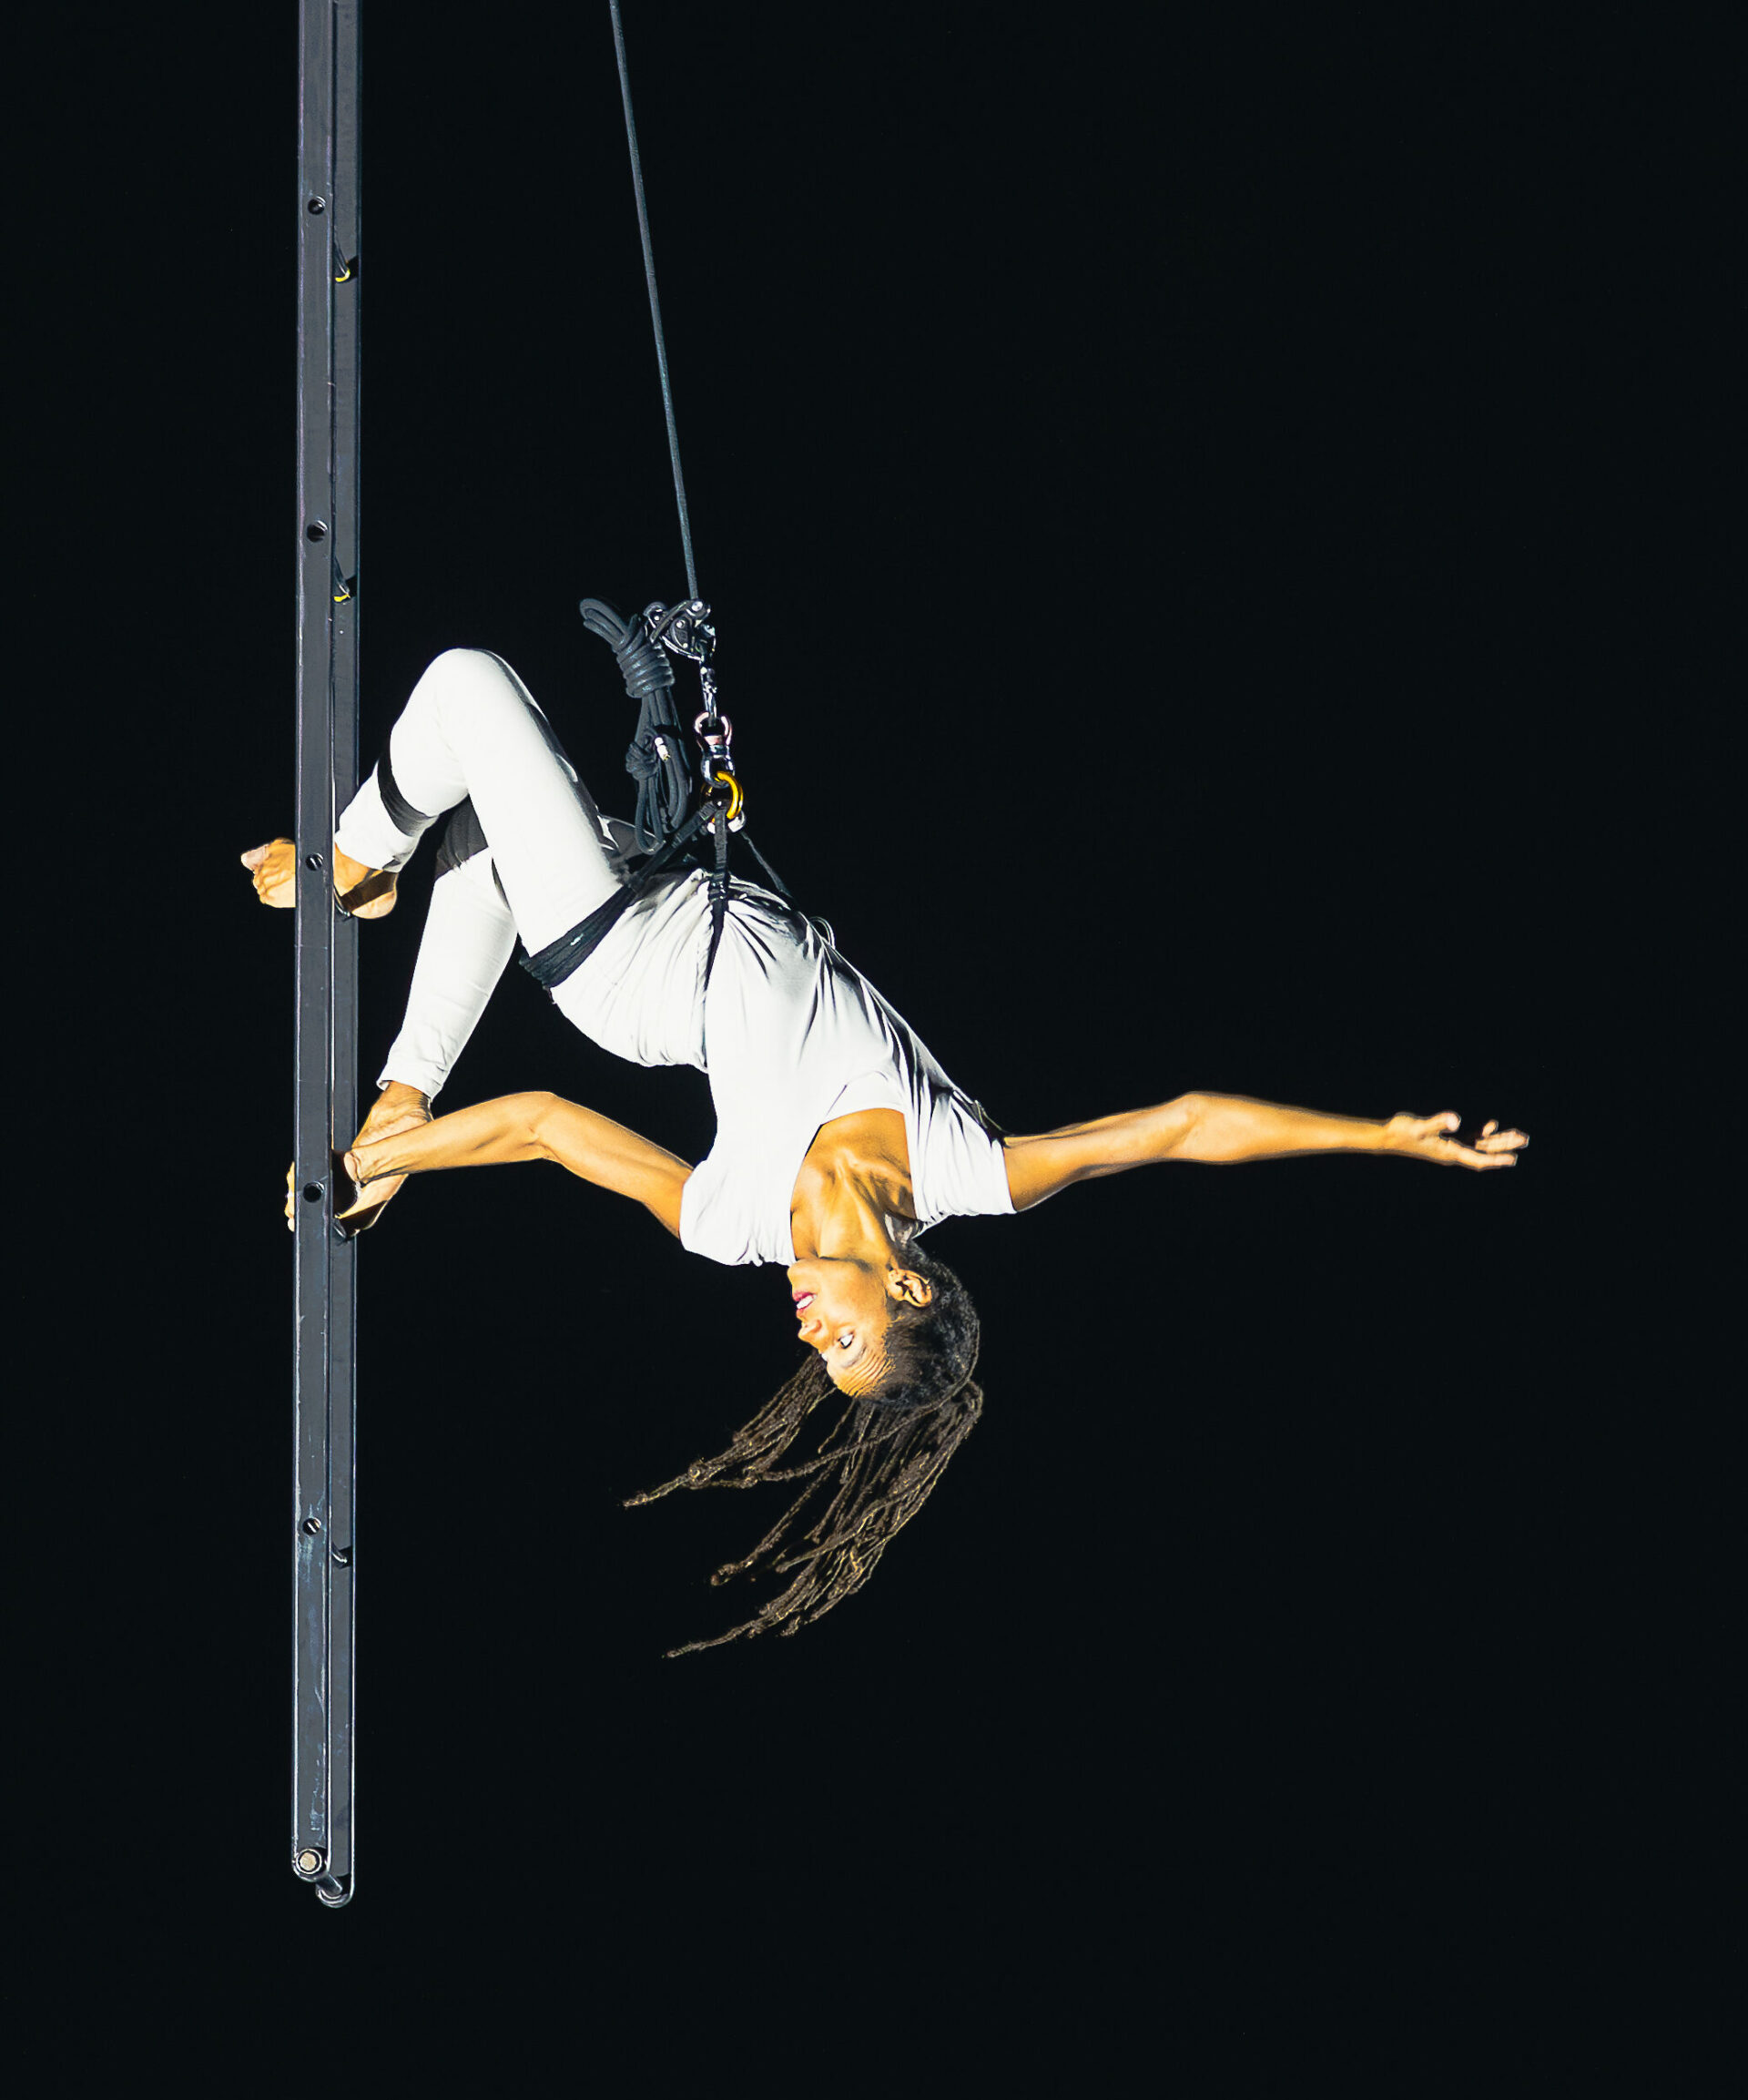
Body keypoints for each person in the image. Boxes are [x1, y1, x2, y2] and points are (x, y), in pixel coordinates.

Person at [244, 647, 1526, 1650]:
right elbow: (1184, 1125)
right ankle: (399, 1080)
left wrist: (381, 1171)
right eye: (845, 1343)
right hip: (656, 874)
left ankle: (350, 880)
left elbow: (545, 1128)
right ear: (906, 1287)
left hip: (614, 960)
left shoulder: (738, 1227)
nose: (811, 1335)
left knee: (468, 689)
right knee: (475, 829)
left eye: (823, 1356)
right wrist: (1385, 1139)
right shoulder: (969, 1169)